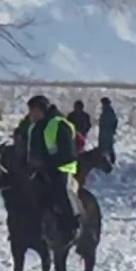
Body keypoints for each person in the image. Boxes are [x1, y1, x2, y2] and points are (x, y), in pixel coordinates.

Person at [26, 95, 79, 235]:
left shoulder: (59, 124)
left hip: (62, 168)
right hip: (40, 170)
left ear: (42, 110)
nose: (31, 114)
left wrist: (47, 164)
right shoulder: (34, 127)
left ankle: (72, 223)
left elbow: (69, 154)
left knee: (61, 190)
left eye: (33, 111)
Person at [98, 97, 118, 164]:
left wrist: (112, 129)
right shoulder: (107, 110)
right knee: (107, 147)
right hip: (105, 131)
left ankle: (111, 161)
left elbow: (114, 121)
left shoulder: (108, 110)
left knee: (108, 147)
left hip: (107, 132)